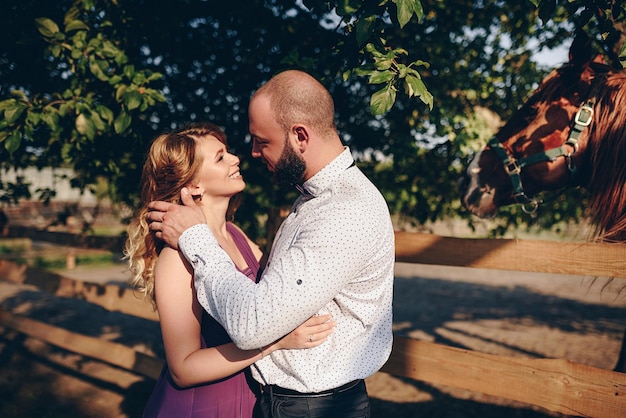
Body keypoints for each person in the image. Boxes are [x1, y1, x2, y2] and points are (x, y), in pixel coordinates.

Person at [148, 70, 395, 418]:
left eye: (261, 141)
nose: (249, 153)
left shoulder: (342, 211)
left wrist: (194, 236)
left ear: (299, 136)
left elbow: (253, 324)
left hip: (313, 407)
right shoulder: (313, 201)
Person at [125, 122, 335, 417]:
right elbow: (183, 369)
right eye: (220, 157)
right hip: (202, 407)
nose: (236, 158)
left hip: (248, 400)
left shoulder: (236, 234)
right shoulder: (177, 256)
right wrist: (276, 343)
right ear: (195, 185)